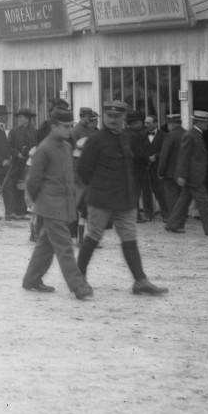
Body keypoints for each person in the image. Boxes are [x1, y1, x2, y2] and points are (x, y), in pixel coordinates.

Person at [75, 99, 167, 295]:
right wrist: (99, 185)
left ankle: (140, 281)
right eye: (109, 116)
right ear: (105, 116)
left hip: (125, 200)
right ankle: (78, 280)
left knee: (129, 238)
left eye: (117, 117)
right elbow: (82, 170)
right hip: (101, 199)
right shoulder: (96, 140)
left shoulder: (125, 138)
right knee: (93, 237)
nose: (113, 120)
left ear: (123, 118)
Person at [21, 107, 93, 299]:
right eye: (65, 126)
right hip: (50, 204)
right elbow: (33, 180)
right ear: (53, 126)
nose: (70, 129)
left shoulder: (66, 147)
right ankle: (78, 286)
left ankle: (31, 279)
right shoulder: (44, 148)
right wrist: (40, 202)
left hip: (63, 204)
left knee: (46, 244)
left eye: (71, 126)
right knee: (64, 246)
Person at [164, 110, 208, 236]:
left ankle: (172, 224)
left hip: (192, 176)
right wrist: (182, 175)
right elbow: (183, 156)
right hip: (192, 177)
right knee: (204, 203)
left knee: (183, 202)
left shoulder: (196, 134)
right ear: (199, 122)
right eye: (206, 122)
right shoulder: (191, 135)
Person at [6, 108, 37, 220]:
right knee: (17, 187)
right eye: (18, 117)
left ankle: (27, 211)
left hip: (30, 164)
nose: (19, 119)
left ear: (28, 119)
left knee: (28, 187)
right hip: (17, 165)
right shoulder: (14, 131)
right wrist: (17, 154)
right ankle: (18, 212)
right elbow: (8, 147)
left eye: (21, 117)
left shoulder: (34, 132)